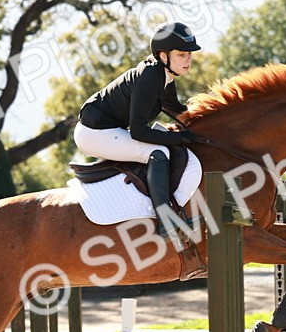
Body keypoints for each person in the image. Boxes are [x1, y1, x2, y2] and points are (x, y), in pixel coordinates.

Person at [75, 21, 202, 237]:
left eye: (189, 54)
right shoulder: (151, 77)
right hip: (94, 132)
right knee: (158, 153)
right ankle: (166, 222)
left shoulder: (165, 76)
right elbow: (139, 132)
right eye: (182, 54)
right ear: (163, 55)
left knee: (163, 144)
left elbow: (176, 110)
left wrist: (204, 123)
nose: (188, 59)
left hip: (107, 129)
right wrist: (181, 138)